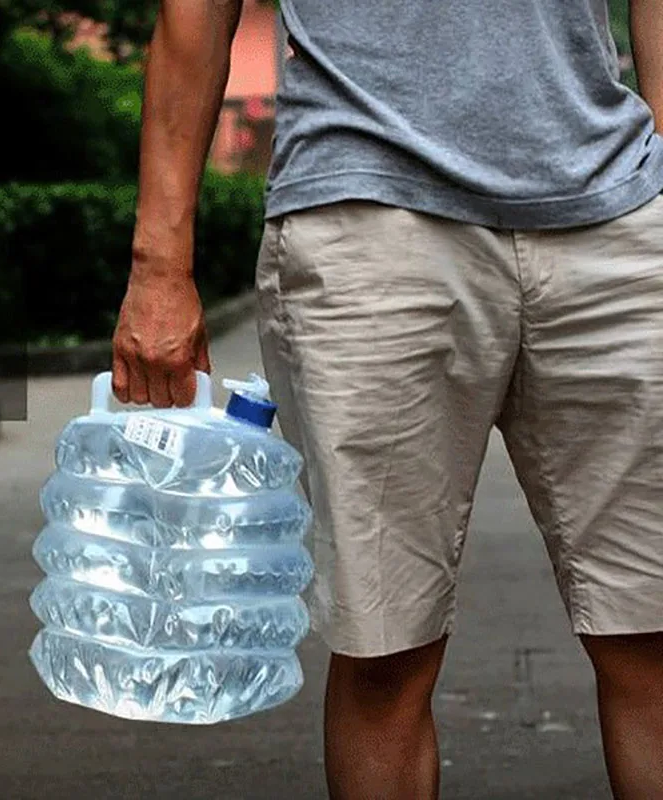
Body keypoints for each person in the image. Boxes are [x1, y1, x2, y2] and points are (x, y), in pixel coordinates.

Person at [111, 1, 663, 797]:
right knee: (385, 650)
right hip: (366, 216)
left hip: (613, 214)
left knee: (652, 632)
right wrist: (158, 264)